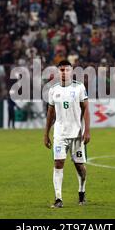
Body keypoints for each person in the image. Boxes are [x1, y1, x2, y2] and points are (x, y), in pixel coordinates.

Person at [44, 60, 90, 208]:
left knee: (80, 166)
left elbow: (86, 109)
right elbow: (50, 113)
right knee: (58, 163)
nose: (64, 72)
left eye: (67, 70)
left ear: (72, 71)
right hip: (60, 134)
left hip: (76, 134)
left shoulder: (79, 88)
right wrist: (46, 133)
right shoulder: (53, 90)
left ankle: (82, 192)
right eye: (62, 70)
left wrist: (87, 130)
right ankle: (58, 199)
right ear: (58, 72)